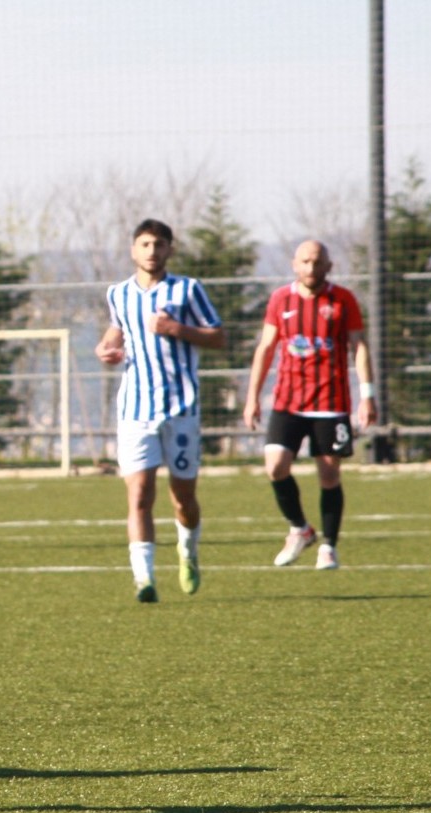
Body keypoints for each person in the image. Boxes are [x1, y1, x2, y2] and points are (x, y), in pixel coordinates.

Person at [95, 218, 225, 603]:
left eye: (160, 245)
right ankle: (144, 579)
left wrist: (176, 329)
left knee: (182, 498)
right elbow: (116, 331)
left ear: (170, 250)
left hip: (181, 408)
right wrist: (106, 349)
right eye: (145, 244)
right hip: (135, 409)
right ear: (134, 250)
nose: (152, 251)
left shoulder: (188, 290)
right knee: (138, 495)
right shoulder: (118, 294)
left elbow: (218, 337)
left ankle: (188, 551)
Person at [242, 240, 376, 570]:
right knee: (275, 467)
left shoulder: (343, 300)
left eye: (317, 262)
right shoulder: (280, 300)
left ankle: (328, 545)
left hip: (330, 402)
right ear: (294, 264)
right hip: (288, 401)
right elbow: (266, 348)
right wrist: (252, 397)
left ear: (328, 266)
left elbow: (359, 346)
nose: (311, 268)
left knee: (329, 475)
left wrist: (367, 394)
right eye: (305, 261)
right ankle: (300, 528)